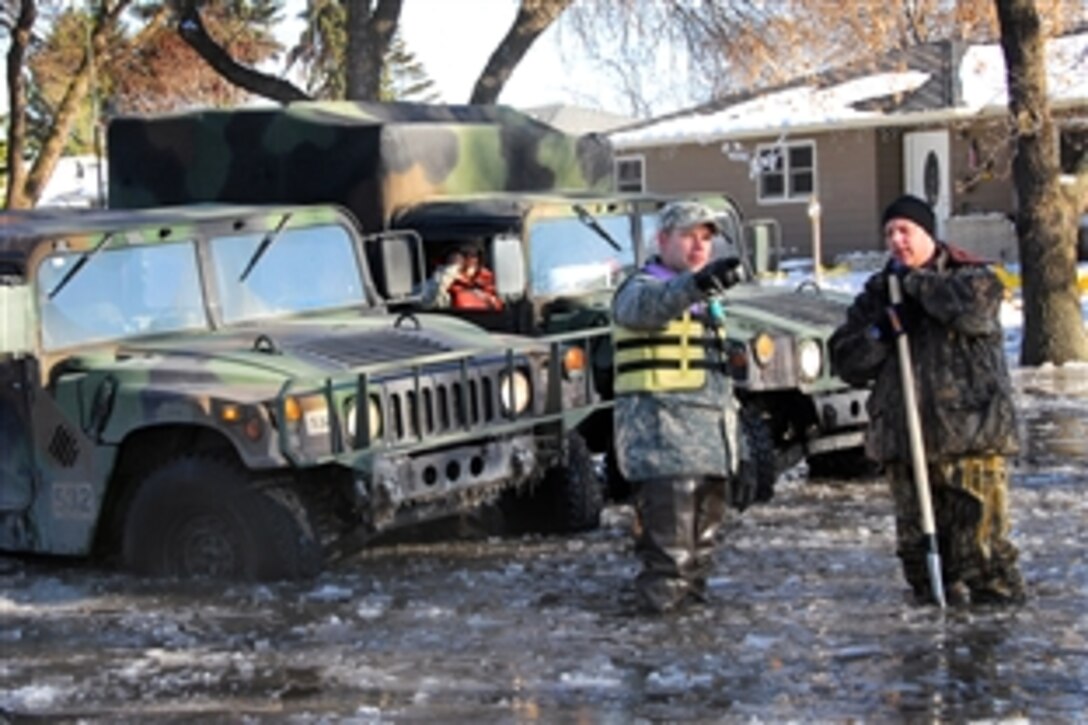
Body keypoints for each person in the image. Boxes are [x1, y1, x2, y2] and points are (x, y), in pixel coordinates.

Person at [829, 194, 1026, 607]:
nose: (897, 240)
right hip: (907, 442)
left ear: (927, 233)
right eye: (889, 233)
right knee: (923, 559)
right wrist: (881, 332)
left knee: (984, 554)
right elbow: (845, 361)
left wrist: (915, 286)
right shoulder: (879, 294)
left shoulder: (972, 277)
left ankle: (991, 649)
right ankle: (936, 650)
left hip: (970, 440)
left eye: (906, 230)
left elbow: (973, 313)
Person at [611, 199, 746, 614]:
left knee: (699, 563)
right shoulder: (639, 290)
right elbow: (652, 307)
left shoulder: (707, 303)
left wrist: (737, 452)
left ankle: (691, 654)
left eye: (706, 238)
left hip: (708, 450)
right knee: (669, 565)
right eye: (689, 236)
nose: (699, 246)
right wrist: (700, 283)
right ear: (663, 239)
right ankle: (660, 657)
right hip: (663, 448)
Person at [420, 242, 503, 311]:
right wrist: (451, 269)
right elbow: (429, 300)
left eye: (474, 255)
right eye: (464, 254)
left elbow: (501, 305)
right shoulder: (438, 279)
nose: (470, 259)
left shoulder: (488, 280)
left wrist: (487, 298)